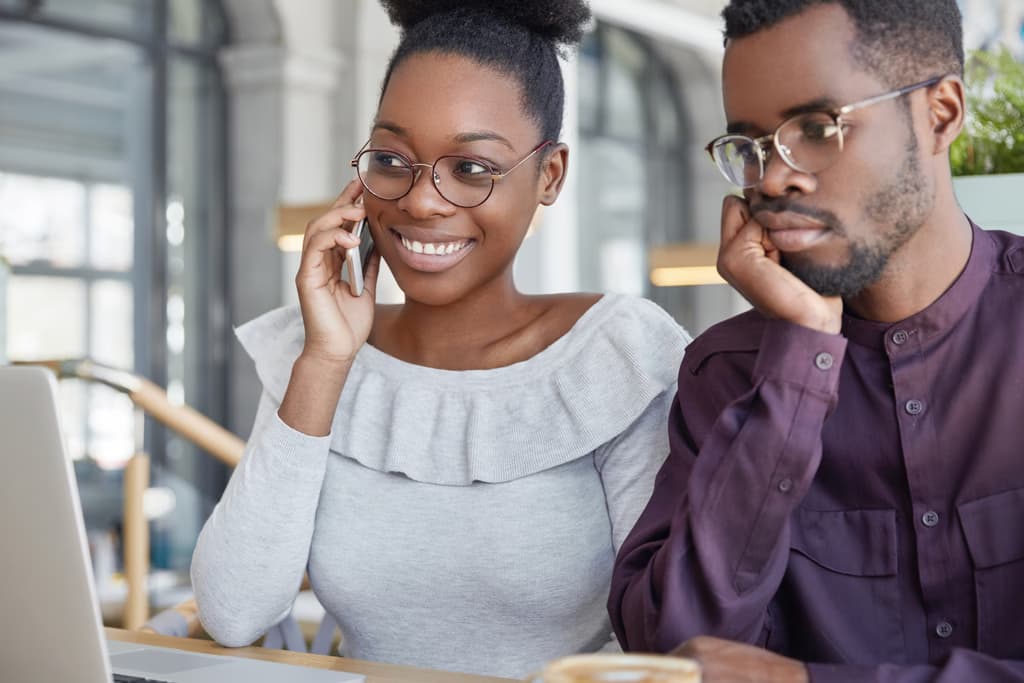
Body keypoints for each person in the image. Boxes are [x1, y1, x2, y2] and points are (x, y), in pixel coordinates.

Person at [191, 0, 690, 678]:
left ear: (549, 176)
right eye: (393, 159)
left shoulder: (618, 355)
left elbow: (660, 640)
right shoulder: (322, 354)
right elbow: (234, 610)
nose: (422, 201)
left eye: (472, 169)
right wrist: (325, 360)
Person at [609, 1, 1024, 682]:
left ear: (941, 115)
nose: (772, 179)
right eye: (749, 145)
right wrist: (800, 358)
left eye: (816, 128)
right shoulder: (728, 373)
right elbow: (682, 654)